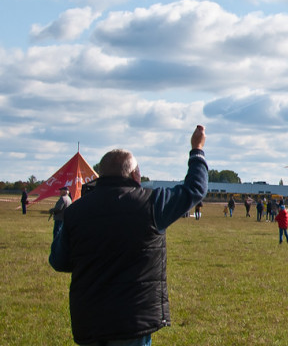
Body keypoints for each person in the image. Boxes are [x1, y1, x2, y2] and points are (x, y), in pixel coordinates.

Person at [48, 125, 207, 346]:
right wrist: (197, 150)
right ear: (134, 174)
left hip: (90, 320)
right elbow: (194, 189)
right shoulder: (151, 203)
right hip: (133, 320)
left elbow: (58, 261)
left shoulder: (76, 211)